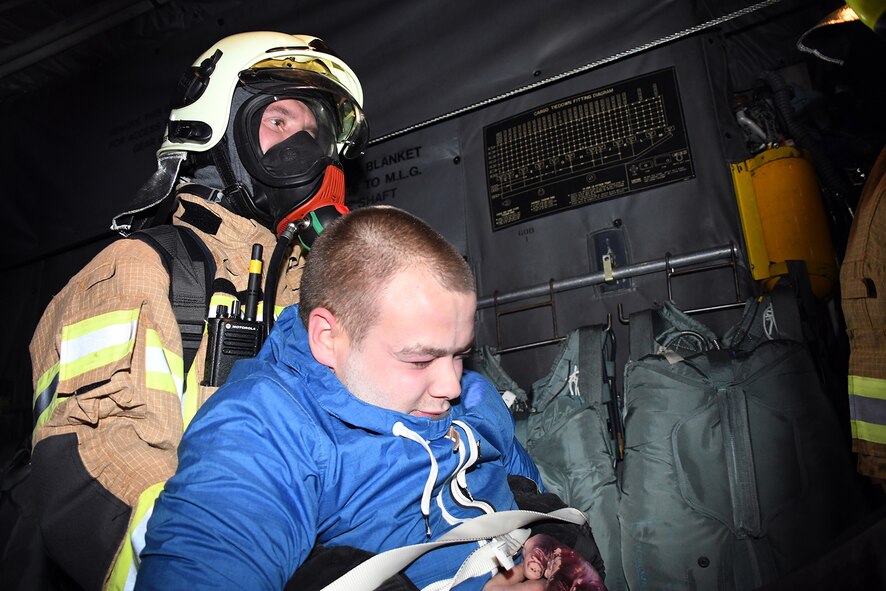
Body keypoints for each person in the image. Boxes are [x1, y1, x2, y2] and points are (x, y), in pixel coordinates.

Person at [3, 31, 368, 591]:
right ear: (218, 129)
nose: (304, 151)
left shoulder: (314, 297)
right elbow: (101, 453)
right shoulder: (135, 269)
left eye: (314, 135)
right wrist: (227, 564)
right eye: (279, 122)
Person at [136, 206, 601, 591]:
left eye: (461, 353)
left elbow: (529, 487)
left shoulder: (473, 397)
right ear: (327, 338)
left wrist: (549, 547)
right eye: (420, 360)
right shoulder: (262, 430)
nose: (453, 386)